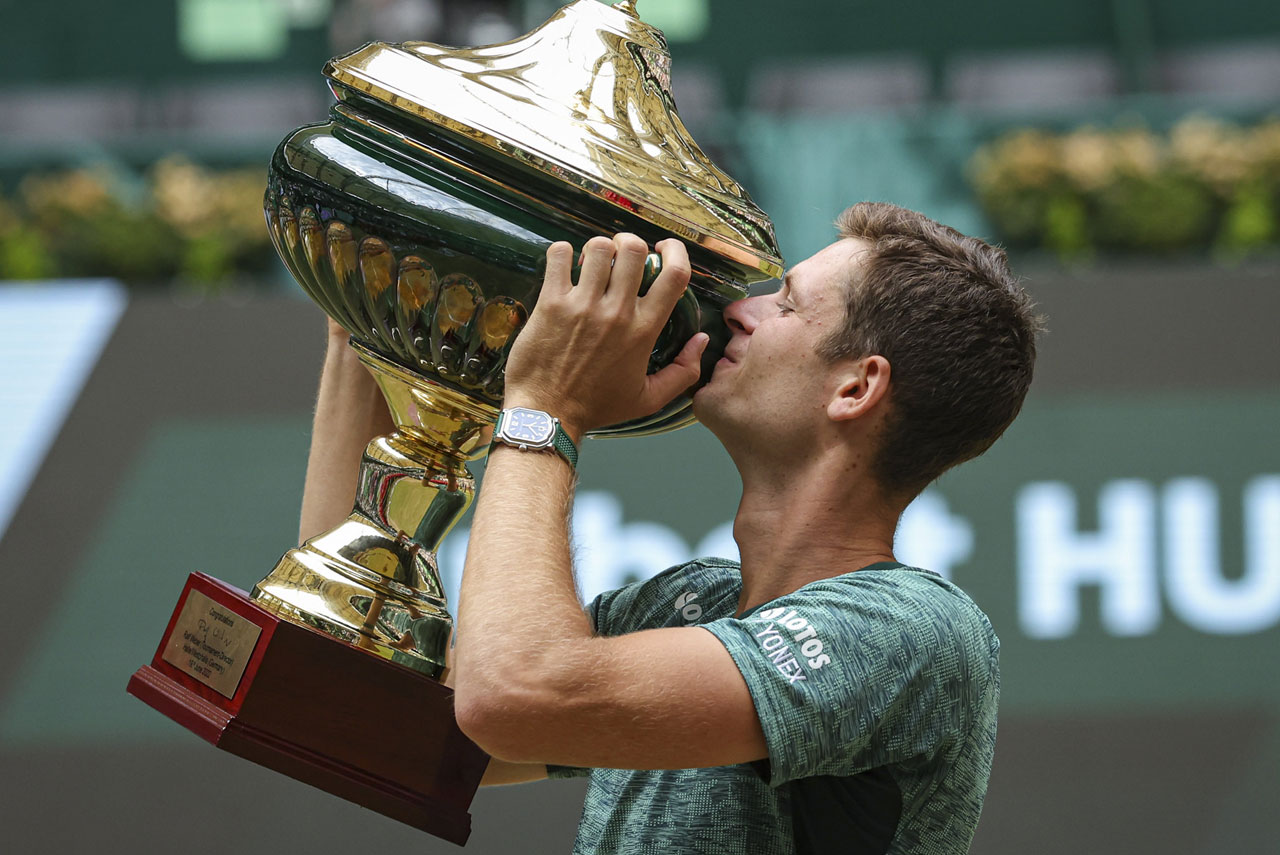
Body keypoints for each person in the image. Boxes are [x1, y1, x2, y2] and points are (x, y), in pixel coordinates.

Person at [301, 202, 1041, 854]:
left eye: (785, 302)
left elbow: (513, 694)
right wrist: (369, 324)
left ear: (857, 387)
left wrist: (546, 410)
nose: (740, 313)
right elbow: (364, 721)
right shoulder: (693, 604)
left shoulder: (917, 633)